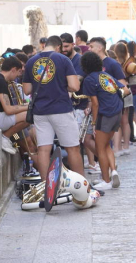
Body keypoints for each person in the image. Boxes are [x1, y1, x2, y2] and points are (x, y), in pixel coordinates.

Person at [23, 35, 83, 181]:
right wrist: (62, 86)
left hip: (40, 111)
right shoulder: (63, 60)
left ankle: (46, 188)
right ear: (58, 47)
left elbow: (26, 90)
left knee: (43, 149)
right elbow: (75, 86)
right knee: (72, 148)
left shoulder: (31, 61)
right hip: (61, 108)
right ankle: (83, 186)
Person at [82, 52, 129, 190]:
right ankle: (113, 171)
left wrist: (94, 122)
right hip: (117, 112)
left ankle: (106, 180)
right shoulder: (106, 75)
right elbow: (124, 89)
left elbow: (95, 103)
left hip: (105, 114)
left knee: (100, 148)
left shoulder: (89, 79)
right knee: (107, 146)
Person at [60, 33, 99, 172]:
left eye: (66, 46)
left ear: (73, 45)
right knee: (76, 142)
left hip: (80, 106)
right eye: (62, 46)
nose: (64, 49)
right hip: (66, 107)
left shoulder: (79, 60)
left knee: (78, 142)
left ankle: (103, 162)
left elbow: (77, 81)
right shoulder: (61, 59)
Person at [113, 42, 133, 156]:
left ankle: (118, 146)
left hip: (118, 92)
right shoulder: (128, 63)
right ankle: (126, 145)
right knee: (125, 121)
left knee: (118, 121)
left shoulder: (114, 64)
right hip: (127, 92)